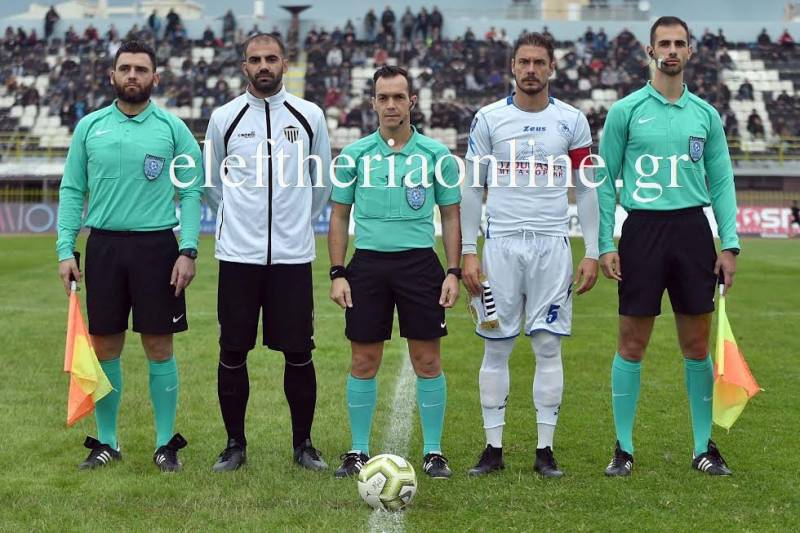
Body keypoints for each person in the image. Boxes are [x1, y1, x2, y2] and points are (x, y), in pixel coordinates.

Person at [596, 16, 740, 477]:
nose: (672, 50)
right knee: (632, 342)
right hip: (641, 233)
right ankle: (623, 448)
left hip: (692, 233)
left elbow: (721, 182)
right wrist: (605, 242)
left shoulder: (706, 115)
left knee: (696, 344)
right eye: (664, 43)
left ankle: (703, 446)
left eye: (680, 43)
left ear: (691, 51)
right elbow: (604, 181)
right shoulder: (625, 111)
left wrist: (729, 244)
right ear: (650, 50)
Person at [56, 40, 203, 472]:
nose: (133, 75)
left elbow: (192, 191)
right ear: (112, 75)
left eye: (141, 69)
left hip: (158, 247)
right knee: (105, 346)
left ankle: (164, 444)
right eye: (125, 68)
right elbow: (71, 190)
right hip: (103, 246)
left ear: (155, 78)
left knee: (159, 344)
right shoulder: (89, 127)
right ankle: (106, 441)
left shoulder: (173, 129)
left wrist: (188, 248)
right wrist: (66, 248)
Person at [461, 33, 600, 478]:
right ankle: (493, 448)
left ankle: (545, 450)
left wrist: (593, 250)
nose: (532, 70)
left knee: (546, 344)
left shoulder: (573, 120)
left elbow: (587, 187)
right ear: (513, 67)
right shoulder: (488, 119)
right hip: (500, 244)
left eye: (540, 62)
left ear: (552, 68)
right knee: (496, 346)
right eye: (524, 62)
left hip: (552, 244)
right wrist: (468, 250)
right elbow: (470, 187)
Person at [203, 34, 332, 473]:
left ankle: (304, 445)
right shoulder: (224, 117)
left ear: (285, 63)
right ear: (244, 67)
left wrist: (294, 222)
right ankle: (234, 445)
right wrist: (242, 221)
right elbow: (212, 185)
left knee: (299, 352)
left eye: (271, 59)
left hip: (293, 258)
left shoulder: (309, 115)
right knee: (232, 351)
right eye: (255, 60)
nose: (264, 66)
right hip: (238, 257)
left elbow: (322, 184)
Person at [328, 65, 462, 479]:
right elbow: (338, 217)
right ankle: (357, 450)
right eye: (383, 97)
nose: (391, 105)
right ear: (372, 103)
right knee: (363, 360)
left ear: (412, 102)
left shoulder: (436, 156)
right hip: (367, 264)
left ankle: (434, 451)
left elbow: (452, 216)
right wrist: (338, 272)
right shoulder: (354, 156)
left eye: (398, 97)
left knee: (427, 359)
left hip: (420, 264)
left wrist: (453, 270)